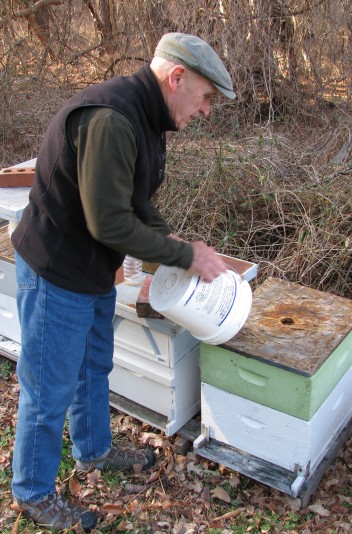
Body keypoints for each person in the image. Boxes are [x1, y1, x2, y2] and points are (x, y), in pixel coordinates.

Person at [11, 32, 235, 530]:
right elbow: (109, 223)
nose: (205, 112)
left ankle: (93, 451)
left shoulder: (145, 118)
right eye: (205, 99)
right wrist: (183, 254)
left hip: (90, 271)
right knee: (49, 388)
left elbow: (133, 200)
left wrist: (169, 241)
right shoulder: (111, 118)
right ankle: (32, 490)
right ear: (176, 78)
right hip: (55, 271)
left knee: (93, 367)